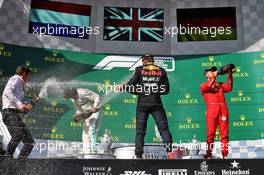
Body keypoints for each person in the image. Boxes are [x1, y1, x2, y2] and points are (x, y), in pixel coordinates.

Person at [118, 53, 174, 159]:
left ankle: (139, 156)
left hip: (142, 103)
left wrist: (127, 87)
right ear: (152, 60)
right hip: (156, 102)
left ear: (143, 61)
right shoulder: (161, 70)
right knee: (164, 129)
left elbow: (130, 87)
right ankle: (170, 153)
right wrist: (153, 91)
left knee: (140, 131)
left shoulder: (139, 70)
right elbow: (166, 90)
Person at [1, 65, 35, 158]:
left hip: (15, 115)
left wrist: (30, 104)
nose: (29, 78)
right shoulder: (15, 78)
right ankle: (7, 159)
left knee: (29, 142)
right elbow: (7, 92)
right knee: (17, 135)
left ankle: (20, 164)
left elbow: (21, 108)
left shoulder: (21, 84)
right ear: (24, 73)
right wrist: (20, 104)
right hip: (9, 113)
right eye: (28, 75)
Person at [200, 66, 233, 159]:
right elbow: (208, 86)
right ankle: (209, 155)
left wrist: (230, 74)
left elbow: (229, 88)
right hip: (211, 111)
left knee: (224, 134)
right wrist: (215, 76)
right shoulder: (203, 85)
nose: (214, 72)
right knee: (210, 134)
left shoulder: (220, 85)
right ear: (206, 74)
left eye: (214, 70)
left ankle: (225, 155)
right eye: (211, 71)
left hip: (223, 110)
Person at [63, 87, 100, 154]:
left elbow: (96, 96)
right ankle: (87, 152)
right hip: (86, 113)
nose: (71, 98)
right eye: (70, 97)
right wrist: (78, 115)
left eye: (71, 96)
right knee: (85, 133)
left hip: (95, 111)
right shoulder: (72, 99)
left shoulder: (82, 92)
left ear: (73, 93)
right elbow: (79, 109)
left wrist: (95, 106)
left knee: (91, 130)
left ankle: (94, 151)